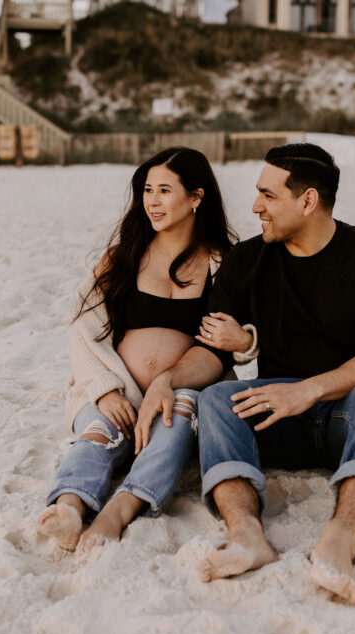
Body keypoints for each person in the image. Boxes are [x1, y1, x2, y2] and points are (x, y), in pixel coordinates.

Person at [135, 143, 355, 605]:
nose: (255, 207)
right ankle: (247, 535)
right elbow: (210, 351)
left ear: (307, 201)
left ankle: (341, 537)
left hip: (348, 412)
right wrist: (168, 379)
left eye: (268, 196)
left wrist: (310, 389)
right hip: (275, 414)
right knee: (213, 400)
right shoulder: (247, 262)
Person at [37, 147, 255, 554]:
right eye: (147, 190)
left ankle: (120, 509)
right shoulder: (124, 256)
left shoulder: (223, 263)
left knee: (176, 422)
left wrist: (241, 342)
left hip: (182, 390)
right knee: (98, 434)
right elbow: (84, 330)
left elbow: (229, 344)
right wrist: (105, 388)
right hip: (113, 388)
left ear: (196, 197)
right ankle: (69, 505)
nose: (152, 201)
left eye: (165, 190)